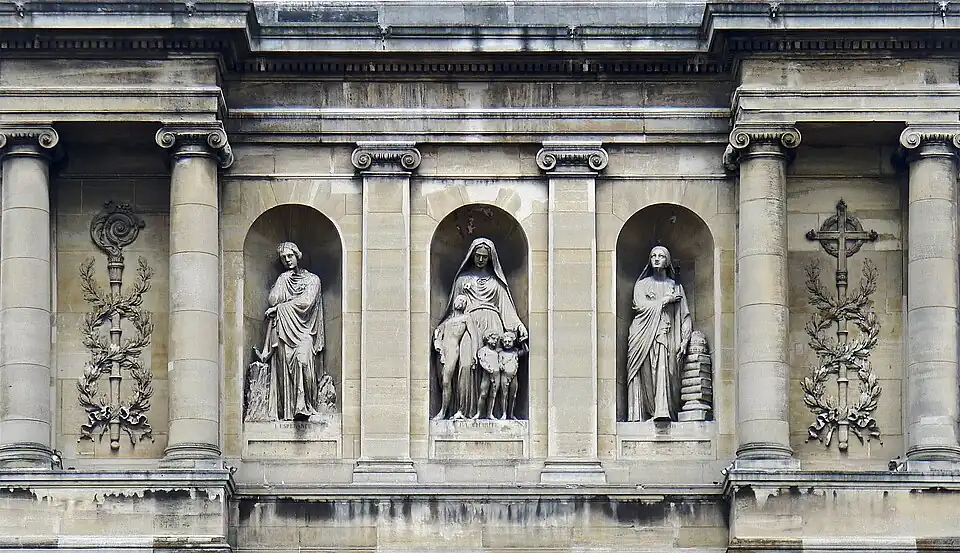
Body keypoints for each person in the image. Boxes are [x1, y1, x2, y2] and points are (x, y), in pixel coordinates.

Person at [435, 237, 527, 420]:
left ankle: (494, 413)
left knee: (492, 370)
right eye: (477, 256)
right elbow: (454, 308)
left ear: (490, 258)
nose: (480, 259)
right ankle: (463, 410)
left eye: (484, 257)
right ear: (472, 255)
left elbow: (507, 309)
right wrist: (442, 328)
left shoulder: (496, 283)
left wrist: (519, 325)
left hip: (494, 325)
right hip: (468, 326)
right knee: (466, 365)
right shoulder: (462, 280)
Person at [253, 241, 326, 421]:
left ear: (297, 255)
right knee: (285, 368)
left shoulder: (313, 280)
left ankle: (307, 404)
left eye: (289, 256)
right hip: (284, 330)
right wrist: (281, 281)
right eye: (283, 258)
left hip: (305, 330)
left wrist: (280, 308)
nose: (287, 260)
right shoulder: (283, 279)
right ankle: (291, 409)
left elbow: (307, 302)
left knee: (304, 362)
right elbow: (272, 300)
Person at [625, 245, 691, 422]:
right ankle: (647, 411)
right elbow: (639, 306)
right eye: (653, 255)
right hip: (643, 334)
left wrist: (685, 340)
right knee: (647, 373)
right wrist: (664, 301)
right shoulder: (642, 285)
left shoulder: (674, 286)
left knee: (665, 369)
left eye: (661, 256)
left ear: (667, 260)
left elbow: (684, 315)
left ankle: (664, 409)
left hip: (666, 333)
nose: (656, 258)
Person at [431, 294, 477, 420]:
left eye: (464, 301)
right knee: (442, 381)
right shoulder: (448, 320)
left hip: (453, 350)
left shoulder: (466, 318)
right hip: (442, 351)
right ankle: (446, 408)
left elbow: (474, 336)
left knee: (446, 381)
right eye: (459, 299)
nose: (461, 302)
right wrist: (437, 336)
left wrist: (474, 354)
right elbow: (438, 331)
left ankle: (443, 412)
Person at [474, 330, 501, 419]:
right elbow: (482, 360)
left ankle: (490, 414)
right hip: (487, 375)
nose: (495, 341)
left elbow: (499, 362)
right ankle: (479, 413)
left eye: (496, 339)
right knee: (483, 394)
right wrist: (487, 367)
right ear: (487, 338)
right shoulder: (483, 350)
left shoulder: (497, 352)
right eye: (493, 339)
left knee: (493, 395)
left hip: (496, 375)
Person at [497, 330, 523, 420]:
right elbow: (499, 362)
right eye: (505, 341)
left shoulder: (515, 352)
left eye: (509, 341)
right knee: (504, 395)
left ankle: (511, 414)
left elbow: (526, 351)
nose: (507, 343)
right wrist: (500, 365)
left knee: (513, 395)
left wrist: (522, 341)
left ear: (513, 342)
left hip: (514, 376)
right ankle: (504, 413)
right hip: (504, 376)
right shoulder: (501, 353)